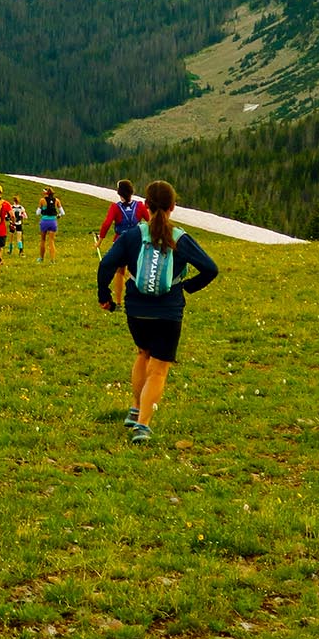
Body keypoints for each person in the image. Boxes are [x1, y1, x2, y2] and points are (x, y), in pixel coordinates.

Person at [96, 180, 218, 444]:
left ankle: (135, 409)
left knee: (143, 354)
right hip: (168, 310)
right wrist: (188, 286)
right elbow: (211, 268)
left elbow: (106, 264)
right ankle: (142, 426)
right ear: (173, 207)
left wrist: (103, 295)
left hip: (136, 310)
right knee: (159, 369)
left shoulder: (133, 236)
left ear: (146, 206)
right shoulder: (179, 238)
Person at [95, 180, 150, 306]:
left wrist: (100, 240)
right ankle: (136, 300)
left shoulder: (115, 207)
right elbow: (150, 221)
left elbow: (107, 223)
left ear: (119, 192)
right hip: (137, 241)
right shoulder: (140, 206)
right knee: (135, 271)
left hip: (120, 241)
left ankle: (119, 302)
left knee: (120, 272)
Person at [37, 188, 65, 263]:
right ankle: (52, 260)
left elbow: (38, 213)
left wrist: (43, 209)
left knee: (43, 240)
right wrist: (58, 215)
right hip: (53, 221)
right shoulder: (57, 200)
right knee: (51, 241)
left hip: (44, 221)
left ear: (46, 193)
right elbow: (62, 213)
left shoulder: (42, 200)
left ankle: (41, 258)